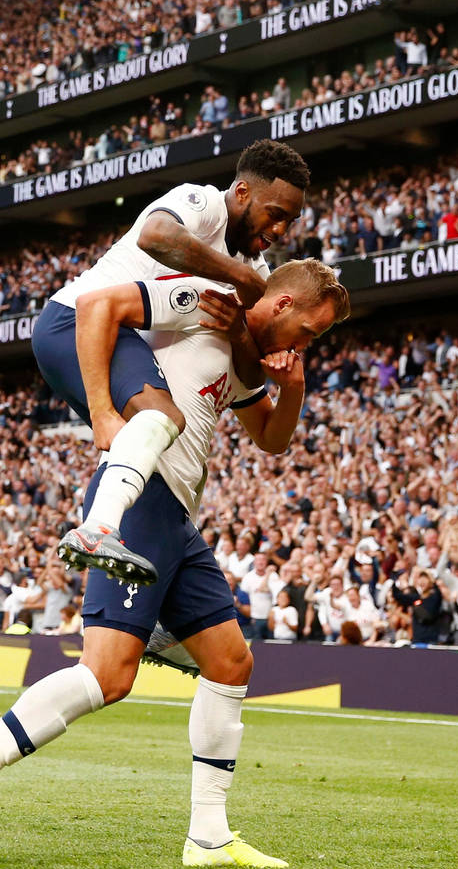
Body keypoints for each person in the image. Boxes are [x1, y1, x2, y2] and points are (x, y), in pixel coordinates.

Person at [0, 259, 349, 869]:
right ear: (281, 305)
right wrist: (102, 409)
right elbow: (105, 305)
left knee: (231, 661)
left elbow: (272, 438)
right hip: (143, 497)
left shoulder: (243, 358)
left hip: (177, 519)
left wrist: (296, 387)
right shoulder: (203, 302)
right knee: (106, 676)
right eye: (310, 331)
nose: (308, 344)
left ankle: (208, 837)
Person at [33, 140, 311, 586]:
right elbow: (156, 235)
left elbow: (250, 374)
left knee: (161, 427)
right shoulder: (199, 202)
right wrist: (240, 278)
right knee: (161, 417)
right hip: (75, 321)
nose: (280, 229)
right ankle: (96, 530)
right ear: (241, 193)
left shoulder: (256, 266)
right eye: (274, 213)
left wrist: (243, 328)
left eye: (290, 220)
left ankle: (148, 586)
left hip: (119, 336)